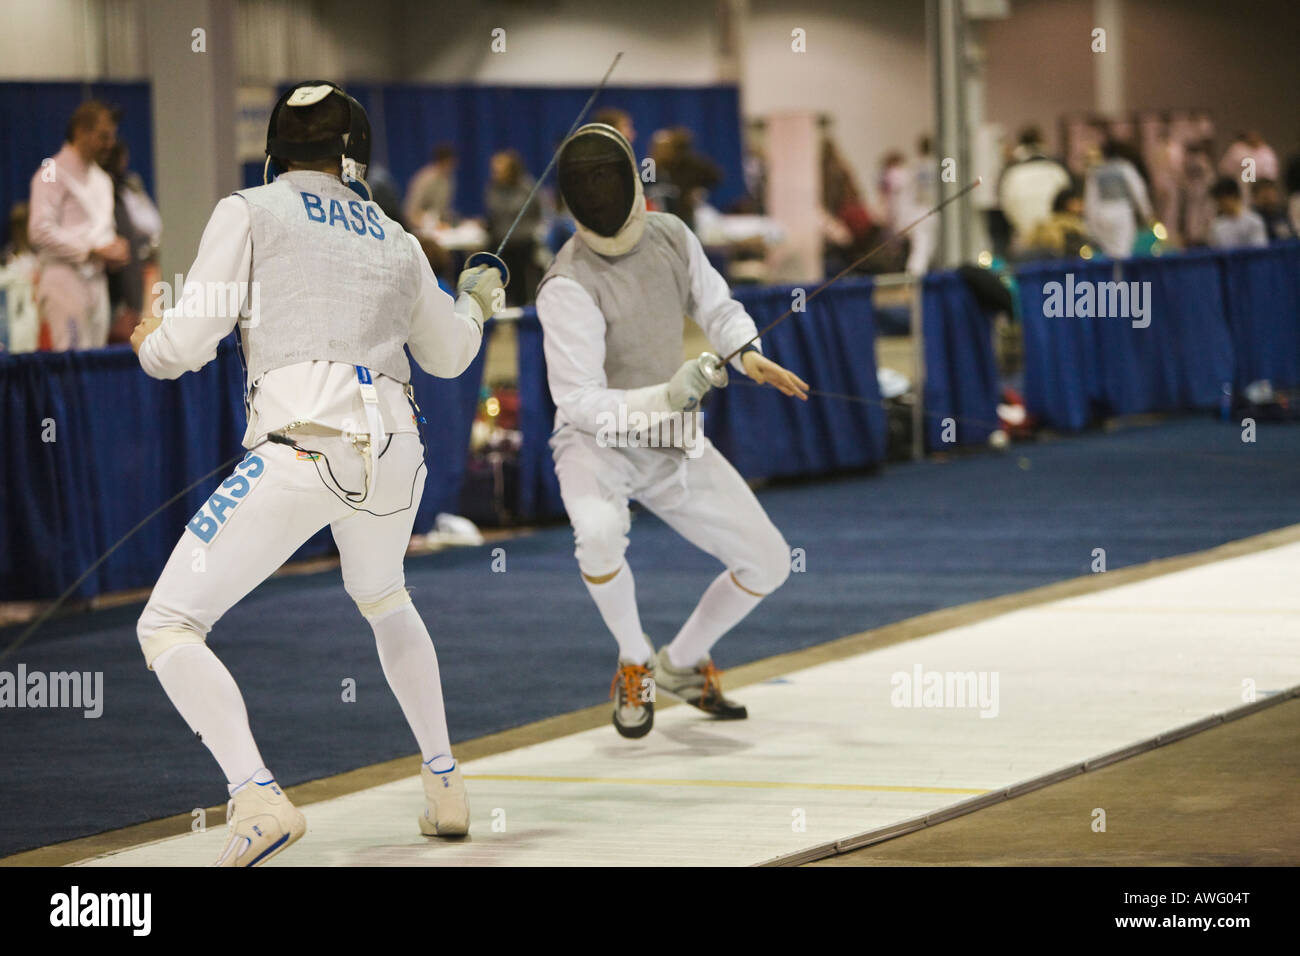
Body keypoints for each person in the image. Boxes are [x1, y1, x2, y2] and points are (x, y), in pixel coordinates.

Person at [129, 81, 497, 866]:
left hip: (305, 444)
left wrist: (150, 337)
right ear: (352, 157)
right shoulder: (395, 235)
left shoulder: (250, 209)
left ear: (275, 148)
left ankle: (256, 796)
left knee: (166, 624)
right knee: (385, 594)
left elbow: (187, 344)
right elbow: (452, 355)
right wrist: (475, 301)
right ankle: (445, 786)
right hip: (400, 452)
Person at [534, 122, 808, 739]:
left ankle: (681, 664)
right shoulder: (566, 285)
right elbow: (579, 402)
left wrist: (746, 352)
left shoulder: (671, 235)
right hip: (595, 447)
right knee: (599, 533)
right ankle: (635, 661)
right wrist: (667, 393)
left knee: (768, 562)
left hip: (670, 438)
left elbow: (714, 304)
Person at [27, 100, 129, 350]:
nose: (110, 145)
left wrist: (114, 247)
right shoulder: (51, 172)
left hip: (97, 281)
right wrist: (90, 250)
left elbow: (101, 230)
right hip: (64, 278)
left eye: (112, 137)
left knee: (96, 361)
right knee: (72, 362)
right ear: (81, 132)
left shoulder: (102, 179)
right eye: (103, 136)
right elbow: (39, 230)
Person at [997, 126, 1072, 253]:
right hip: (1056, 240)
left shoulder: (1012, 174)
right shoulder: (1056, 171)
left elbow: (1007, 207)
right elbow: (1067, 204)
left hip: (1025, 240)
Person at [484, 148, 540, 304]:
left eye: (498, 170)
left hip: (522, 244)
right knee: (498, 287)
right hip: (500, 243)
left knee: (521, 287)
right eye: (493, 170)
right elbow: (493, 213)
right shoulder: (492, 188)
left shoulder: (527, 187)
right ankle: (500, 322)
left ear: (511, 170)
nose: (495, 174)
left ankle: (523, 321)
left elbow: (537, 212)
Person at [1084, 138, 1153, 259]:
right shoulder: (1124, 168)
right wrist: (1147, 214)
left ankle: (1114, 276)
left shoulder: (1096, 172)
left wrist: (1091, 224)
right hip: (1121, 212)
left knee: (1109, 253)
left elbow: (1091, 201)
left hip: (1102, 213)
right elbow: (1138, 191)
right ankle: (1120, 277)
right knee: (1123, 253)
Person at [403, 144, 457, 230]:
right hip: (420, 229)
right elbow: (410, 212)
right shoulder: (425, 179)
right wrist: (427, 223)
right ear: (442, 162)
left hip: (438, 228)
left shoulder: (448, 180)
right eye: (450, 163)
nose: (452, 167)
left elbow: (441, 211)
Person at [1208, 176, 1268, 249]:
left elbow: (1260, 249)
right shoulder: (1216, 226)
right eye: (1218, 201)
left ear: (1234, 196)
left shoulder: (1254, 221)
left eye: (1222, 199)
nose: (1221, 204)